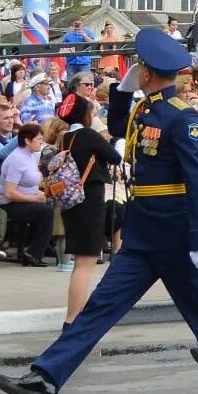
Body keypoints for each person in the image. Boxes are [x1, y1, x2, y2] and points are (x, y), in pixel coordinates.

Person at [0, 28, 198, 394]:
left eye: (138, 68)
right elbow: (124, 123)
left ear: (147, 72)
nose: (136, 72)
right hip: (143, 230)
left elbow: (197, 180)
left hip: (177, 235)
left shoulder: (184, 117)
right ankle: (48, 375)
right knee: (100, 307)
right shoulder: (147, 110)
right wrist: (125, 91)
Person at [58, 92, 123, 321]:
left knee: (80, 262)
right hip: (89, 202)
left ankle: (75, 314)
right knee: (85, 264)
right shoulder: (87, 135)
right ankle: (72, 319)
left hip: (72, 203)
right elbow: (114, 156)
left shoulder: (65, 136)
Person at [0, 124, 54, 266]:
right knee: (46, 212)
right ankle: (34, 253)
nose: (41, 142)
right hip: (10, 204)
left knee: (55, 205)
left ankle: (47, 247)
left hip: (26, 200)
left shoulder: (30, 156)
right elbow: (9, 192)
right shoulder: (17, 159)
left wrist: (40, 194)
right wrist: (34, 198)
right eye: (39, 139)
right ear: (28, 140)